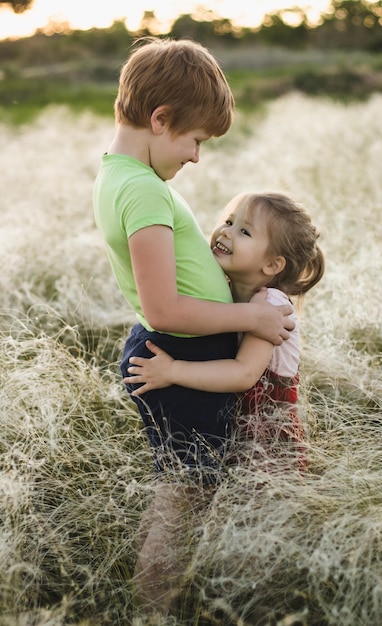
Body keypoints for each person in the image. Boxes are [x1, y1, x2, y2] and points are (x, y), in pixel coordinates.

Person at [93, 37, 294, 618]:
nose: (198, 157)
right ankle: (157, 609)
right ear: (161, 119)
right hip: (179, 357)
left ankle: (159, 602)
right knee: (180, 497)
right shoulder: (141, 190)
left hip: (184, 357)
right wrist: (251, 316)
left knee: (184, 491)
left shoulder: (124, 179)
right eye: (196, 140)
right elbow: (164, 309)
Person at [124, 191, 325, 474]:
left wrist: (172, 371)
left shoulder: (270, 306)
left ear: (271, 265)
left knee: (262, 511)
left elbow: (243, 374)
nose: (226, 233)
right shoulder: (227, 291)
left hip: (267, 438)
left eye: (244, 231)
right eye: (229, 222)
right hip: (237, 431)